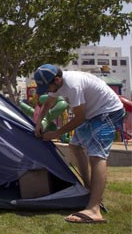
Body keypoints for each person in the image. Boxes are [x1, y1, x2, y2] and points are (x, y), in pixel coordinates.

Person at [33, 64, 124, 224]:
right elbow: (48, 103)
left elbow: (79, 118)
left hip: (107, 112)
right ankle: (89, 189)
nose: (49, 90)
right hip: (92, 114)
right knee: (75, 147)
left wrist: (56, 133)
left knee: (96, 155)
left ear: (57, 79)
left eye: (48, 86)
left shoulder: (73, 85)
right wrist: (39, 121)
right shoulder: (57, 84)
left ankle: (94, 209)